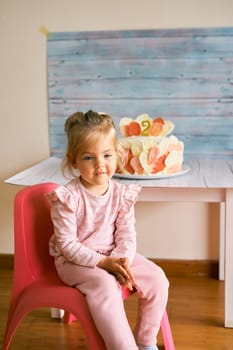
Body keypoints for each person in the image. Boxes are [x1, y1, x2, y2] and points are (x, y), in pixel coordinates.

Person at [47, 110, 169, 350]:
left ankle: (145, 342)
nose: (100, 164)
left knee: (157, 279)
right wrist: (103, 263)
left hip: (114, 255)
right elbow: (68, 246)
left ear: (117, 155)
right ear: (74, 160)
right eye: (89, 158)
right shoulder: (68, 198)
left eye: (106, 155)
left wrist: (122, 260)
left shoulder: (121, 194)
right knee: (105, 287)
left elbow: (126, 232)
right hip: (77, 262)